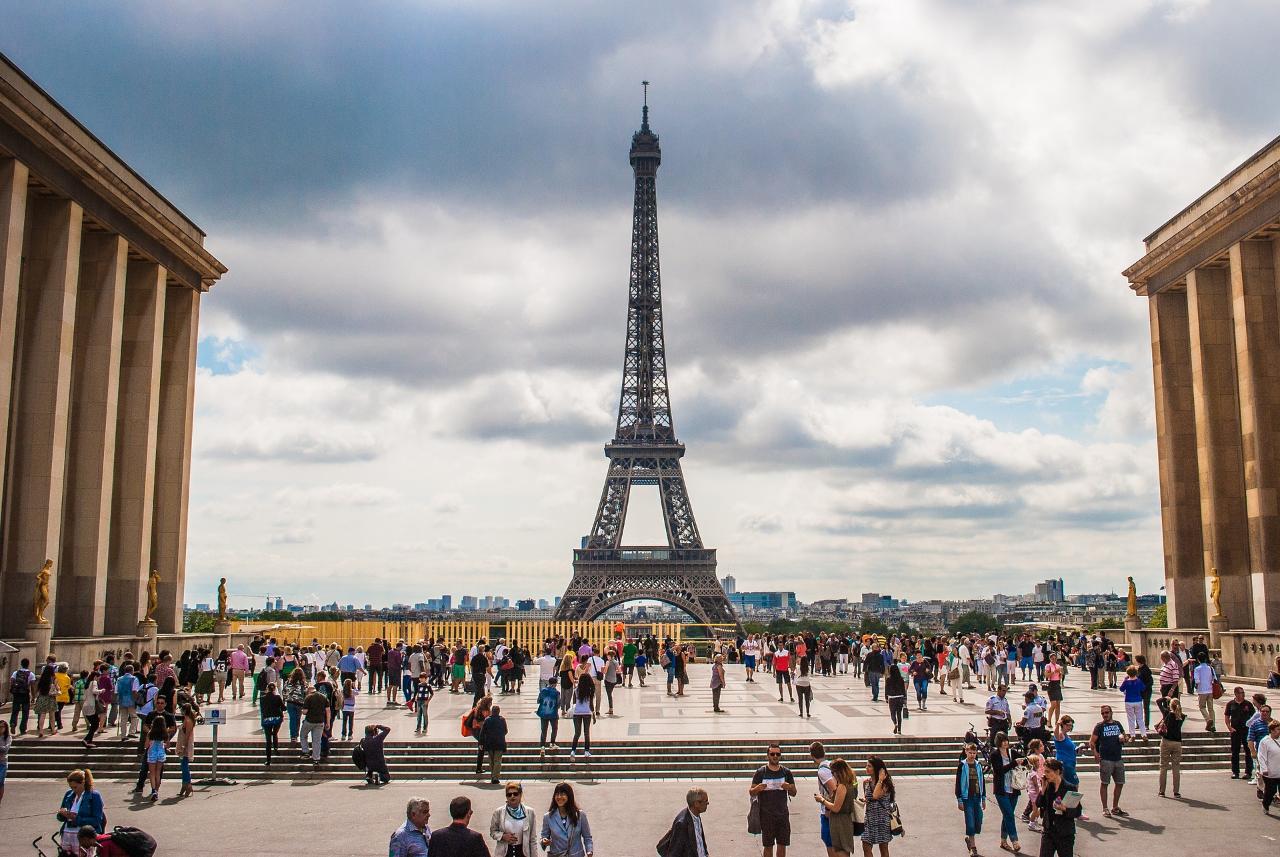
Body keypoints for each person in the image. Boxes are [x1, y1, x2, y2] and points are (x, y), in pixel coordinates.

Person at [749, 742, 796, 857]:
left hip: (782, 815)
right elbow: (751, 792)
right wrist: (757, 788)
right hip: (766, 816)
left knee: (782, 845)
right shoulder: (761, 772)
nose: (775, 756)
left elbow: (794, 792)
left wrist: (788, 787)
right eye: (772, 754)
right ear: (768, 755)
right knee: (768, 846)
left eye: (777, 754)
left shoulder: (786, 772)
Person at [1088, 705, 1128, 818]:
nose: (1105, 715)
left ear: (1111, 713)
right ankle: (1105, 808)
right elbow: (1091, 742)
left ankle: (1115, 807)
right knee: (1105, 783)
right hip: (1106, 759)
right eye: (1103, 713)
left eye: (1106, 712)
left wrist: (1124, 739)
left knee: (1120, 783)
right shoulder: (1099, 726)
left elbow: (1126, 737)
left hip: (1118, 758)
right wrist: (1095, 754)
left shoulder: (1117, 724)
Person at [1036, 759, 1082, 856]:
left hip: (1064, 832)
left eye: (1048, 771)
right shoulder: (1048, 786)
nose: (1045, 774)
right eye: (1044, 771)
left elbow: (1078, 811)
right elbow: (1039, 804)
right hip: (1048, 830)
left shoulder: (1069, 787)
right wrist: (1043, 790)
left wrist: (1064, 808)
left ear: (1057, 772)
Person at [815, 758, 860, 857]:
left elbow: (836, 808)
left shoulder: (842, 786)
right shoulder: (850, 783)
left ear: (838, 772)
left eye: (833, 772)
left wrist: (822, 800)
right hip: (845, 820)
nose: (832, 775)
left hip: (840, 822)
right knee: (843, 849)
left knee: (841, 850)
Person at [990, 732, 1024, 853]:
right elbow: (999, 771)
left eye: (1006, 740)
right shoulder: (994, 755)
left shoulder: (1012, 752)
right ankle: (1014, 840)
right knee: (1009, 814)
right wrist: (1014, 763)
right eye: (1002, 740)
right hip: (1001, 790)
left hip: (1013, 788)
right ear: (998, 742)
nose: (1005, 742)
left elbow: (1023, 760)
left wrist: (1024, 761)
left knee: (1007, 815)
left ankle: (1003, 840)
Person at [58, 769, 106, 853]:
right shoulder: (69, 794)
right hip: (67, 834)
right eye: (71, 787)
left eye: (75, 787)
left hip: (85, 837)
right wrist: (62, 814)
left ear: (83, 783)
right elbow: (60, 816)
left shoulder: (94, 796)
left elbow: (97, 820)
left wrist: (76, 819)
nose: (73, 790)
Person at [540, 782, 594, 857]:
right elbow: (544, 836)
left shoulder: (580, 815)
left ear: (569, 796)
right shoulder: (548, 817)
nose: (559, 797)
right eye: (557, 794)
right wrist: (544, 841)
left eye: (562, 794)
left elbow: (587, 837)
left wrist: (589, 851)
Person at [658, 787, 710, 857]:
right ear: (696, 804)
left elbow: (700, 841)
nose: (708, 803)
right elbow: (674, 852)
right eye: (705, 801)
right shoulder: (682, 824)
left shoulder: (696, 814)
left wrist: (706, 854)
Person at [861, 755, 895, 856]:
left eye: (869, 766)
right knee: (865, 845)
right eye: (866, 766)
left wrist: (880, 779)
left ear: (877, 768)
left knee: (883, 848)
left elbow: (875, 795)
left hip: (882, 819)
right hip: (869, 819)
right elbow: (869, 798)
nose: (866, 768)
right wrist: (865, 800)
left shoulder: (885, 783)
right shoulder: (866, 783)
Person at [955, 742, 985, 857]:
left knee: (978, 821)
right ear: (966, 752)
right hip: (967, 797)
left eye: (974, 753)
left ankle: (969, 838)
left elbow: (981, 781)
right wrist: (959, 799)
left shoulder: (978, 765)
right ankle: (973, 847)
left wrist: (983, 798)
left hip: (977, 796)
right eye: (970, 752)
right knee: (970, 822)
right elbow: (958, 783)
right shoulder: (962, 765)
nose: (972, 755)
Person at [1155, 696, 1185, 797]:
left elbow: (1158, 702)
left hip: (1166, 741)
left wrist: (1166, 698)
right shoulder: (1182, 716)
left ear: (1170, 705)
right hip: (1177, 743)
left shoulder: (1167, 713)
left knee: (1163, 766)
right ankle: (1176, 792)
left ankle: (1162, 791)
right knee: (1176, 767)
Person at [1225, 686, 1257, 780]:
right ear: (1235, 694)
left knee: (1248, 751)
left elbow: (1254, 716)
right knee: (1235, 751)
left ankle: (1248, 772)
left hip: (1246, 730)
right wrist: (1229, 727)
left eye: (1242, 693)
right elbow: (1227, 717)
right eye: (1239, 693)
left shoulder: (1248, 704)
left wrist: (1252, 728)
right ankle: (1235, 771)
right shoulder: (1231, 704)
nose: (1241, 695)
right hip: (1235, 730)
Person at [301, 682, 329, 766]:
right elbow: (328, 710)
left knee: (303, 735)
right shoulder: (324, 697)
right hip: (320, 722)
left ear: (309, 691)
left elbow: (305, 712)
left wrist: (302, 711)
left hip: (309, 721)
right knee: (316, 741)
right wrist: (328, 722)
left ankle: (306, 752)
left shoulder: (308, 697)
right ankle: (316, 759)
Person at [480, 703, 508, 784]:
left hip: (489, 743)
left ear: (492, 711)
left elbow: (482, 732)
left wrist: (481, 743)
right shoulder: (502, 719)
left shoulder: (487, 720)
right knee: (497, 760)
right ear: (498, 712)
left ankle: (493, 776)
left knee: (491, 760)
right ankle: (495, 777)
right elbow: (506, 731)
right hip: (499, 743)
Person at [259, 681, 285, 765]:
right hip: (277, 718)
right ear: (275, 689)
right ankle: (276, 748)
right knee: (275, 733)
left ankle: (268, 760)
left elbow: (262, 710)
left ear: (267, 689)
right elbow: (284, 708)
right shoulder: (277, 697)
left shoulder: (262, 698)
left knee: (268, 740)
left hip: (267, 719)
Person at [1191, 653, 1217, 732]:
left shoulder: (1197, 669)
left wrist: (1196, 686)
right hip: (1210, 690)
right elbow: (1214, 678)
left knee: (1202, 707)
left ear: (1198, 660)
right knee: (1211, 708)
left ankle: (1208, 719)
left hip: (1202, 691)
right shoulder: (1210, 668)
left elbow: (1197, 680)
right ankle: (1213, 726)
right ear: (1205, 659)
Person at [1258, 719, 1280, 815]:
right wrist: (1264, 769)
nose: (1279, 731)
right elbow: (1261, 756)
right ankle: (1265, 804)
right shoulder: (1265, 741)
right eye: (1278, 729)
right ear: (1272, 730)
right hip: (1270, 772)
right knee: (1271, 791)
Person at [570, 674, 594, 759]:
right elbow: (591, 704)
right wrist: (594, 715)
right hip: (587, 713)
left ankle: (573, 751)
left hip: (577, 713)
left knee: (577, 733)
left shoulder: (576, 690)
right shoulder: (590, 690)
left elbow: (573, 703)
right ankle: (586, 751)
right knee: (586, 733)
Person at [884, 657, 907, 734]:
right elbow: (903, 689)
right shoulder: (901, 679)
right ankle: (900, 730)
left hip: (892, 697)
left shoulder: (888, 679)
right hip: (900, 697)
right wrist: (904, 697)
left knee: (892, 713)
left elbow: (886, 689)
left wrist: (886, 697)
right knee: (899, 714)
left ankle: (895, 724)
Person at [0, 721, 10, 807]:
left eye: (2, 727)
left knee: (0, 782)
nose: (1, 728)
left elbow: (5, 749)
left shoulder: (7, 737)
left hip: (2, 763)